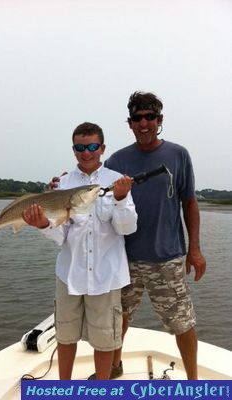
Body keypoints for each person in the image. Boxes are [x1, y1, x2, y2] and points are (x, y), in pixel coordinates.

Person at [88, 91, 206, 380]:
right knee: (119, 319)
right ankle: (115, 368)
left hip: (166, 257)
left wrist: (195, 249)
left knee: (182, 322)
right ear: (130, 123)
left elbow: (189, 202)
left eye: (150, 117)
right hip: (123, 257)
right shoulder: (117, 159)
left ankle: (193, 381)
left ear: (159, 120)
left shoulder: (178, 155)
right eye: (138, 118)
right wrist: (60, 185)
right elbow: (94, 194)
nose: (144, 123)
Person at [22, 122, 138, 380]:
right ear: (74, 149)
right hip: (69, 273)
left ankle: (102, 390)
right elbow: (60, 235)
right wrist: (42, 224)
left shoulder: (116, 181)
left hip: (106, 276)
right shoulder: (62, 183)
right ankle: (65, 389)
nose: (87, 153)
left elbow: (127, 228)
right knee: (65, 336)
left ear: (103, 148)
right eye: (80, 147)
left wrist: (120, 199)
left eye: (93, 147)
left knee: (105, 340)